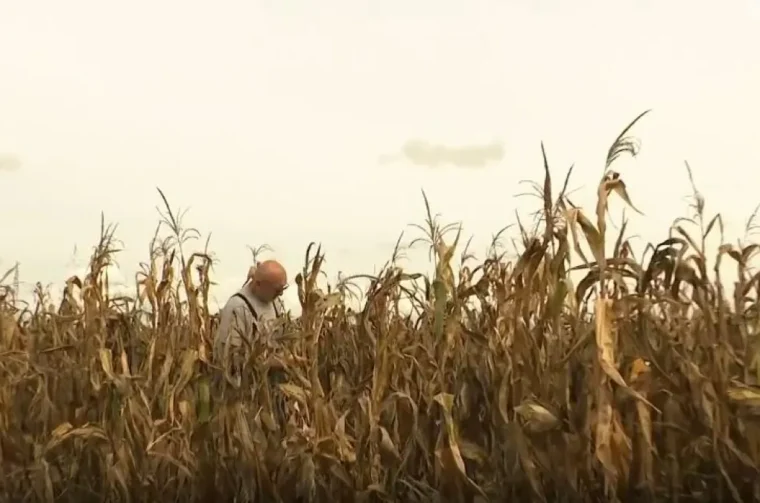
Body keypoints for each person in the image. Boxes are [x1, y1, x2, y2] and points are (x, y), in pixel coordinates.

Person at [213, 259, 288, 386]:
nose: (280, 293)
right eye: (277, 289)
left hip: (271, 384)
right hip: (246, 387)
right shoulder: (237, 307)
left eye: (283, 288)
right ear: (258, 284)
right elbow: (230, 359)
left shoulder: (274, 302)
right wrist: (271, 362)